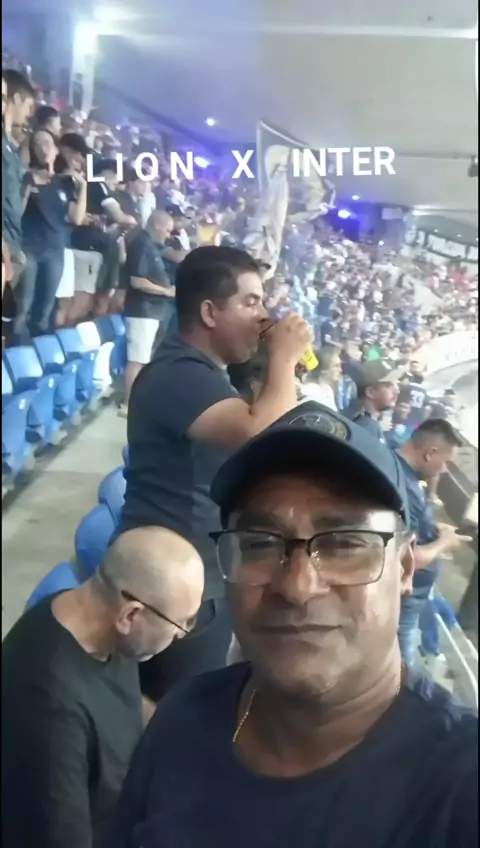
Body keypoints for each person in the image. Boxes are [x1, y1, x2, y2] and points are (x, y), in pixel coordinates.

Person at [110, 402, 477, 848]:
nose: (297, 586)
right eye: (259, 544)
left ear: (403, 568)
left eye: (345, 543)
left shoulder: (460, 783)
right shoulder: (182, 717)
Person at [118, 245, 313, 700]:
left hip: (193, 569)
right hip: (168, 582)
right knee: (176, 712)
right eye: (250, 301)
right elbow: (257, 431)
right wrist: (284, 358)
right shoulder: (179, 373)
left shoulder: (203, 372)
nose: (262, 316)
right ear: (209, 312)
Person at [2, 526, 204, 848]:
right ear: (131, 615)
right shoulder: (48, 710)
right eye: (180, 623)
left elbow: (117, 700)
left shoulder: (97, 621)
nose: (180, 634)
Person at [396, 419, 470, 667]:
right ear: (431, 453)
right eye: (446, 462)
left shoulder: (401, 473)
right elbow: (404, 558)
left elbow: (409, 526)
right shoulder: (404, 487)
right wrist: (443, 544)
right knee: (403, 662)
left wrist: (435, 529)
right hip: (405, 600)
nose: (445, 470)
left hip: (415, 595)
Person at [13, 129, 87, 341]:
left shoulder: (64, 182)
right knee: (23, 306)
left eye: (48, 143)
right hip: (29, 248)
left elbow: (76, 218)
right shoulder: (27, 176)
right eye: (38, 143)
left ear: (56, 149)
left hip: (55, 250)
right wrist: (28, 186)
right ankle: (16, 352)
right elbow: (17, 212)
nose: (43, 148)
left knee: (45, 309)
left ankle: (38, 352)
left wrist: (83, 187)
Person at [121, 210, 176, 408]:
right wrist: (166, 291)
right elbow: (137, 280)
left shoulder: (151, 245)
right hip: (142, 311)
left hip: (152, 311)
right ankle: (129, 404)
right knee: (137, 360)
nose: (168, 235)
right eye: (167, 230)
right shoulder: (142, 244)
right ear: (157, 225)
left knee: (143, 359)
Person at [2, 69, 35, 285]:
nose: (28, 114)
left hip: (11, 243)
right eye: (28, 106)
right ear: (15, 99)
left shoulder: (10, 147)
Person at [345, 359, 399, 442]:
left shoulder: (372, 424)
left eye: (396, 383)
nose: (397, 391)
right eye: (388, 386)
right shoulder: (363, 430)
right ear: (370, 392)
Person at [301, 345, 342, 409]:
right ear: (323, 370)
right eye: (336, 366)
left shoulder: (328, 389)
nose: (340, 370)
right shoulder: (310, 393)